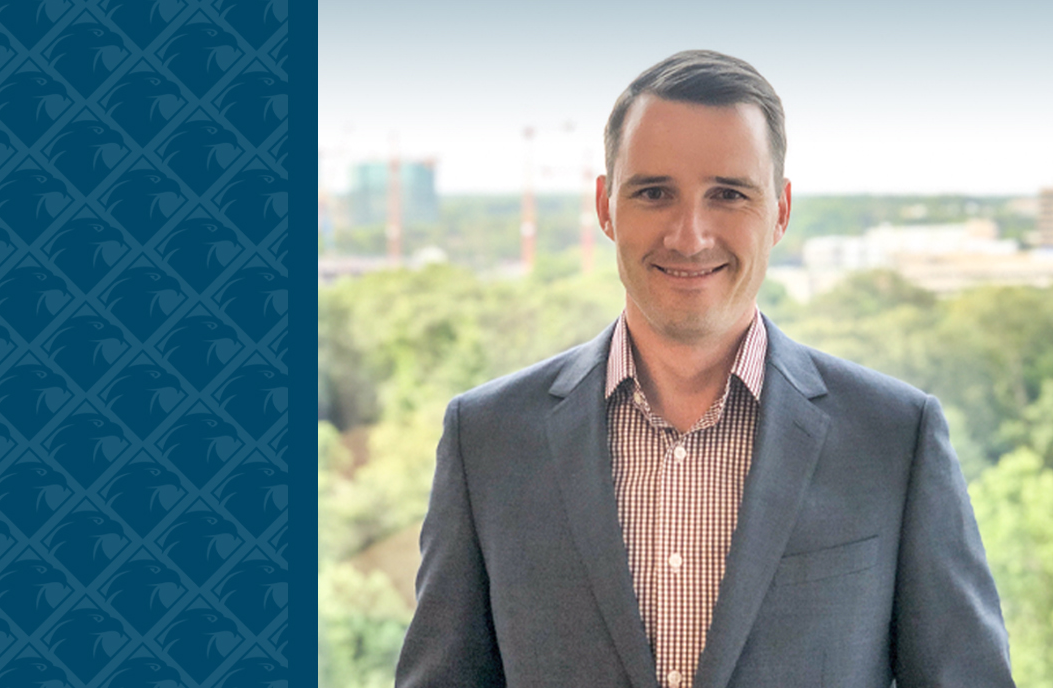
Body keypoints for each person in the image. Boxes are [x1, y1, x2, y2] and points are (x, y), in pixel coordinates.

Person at [396, 50, 1016, 687]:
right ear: (606, 206)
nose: (689, 236)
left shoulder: (895, 438)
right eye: (654, 193)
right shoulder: (488, 439)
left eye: (728, 194)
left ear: (780, 210)